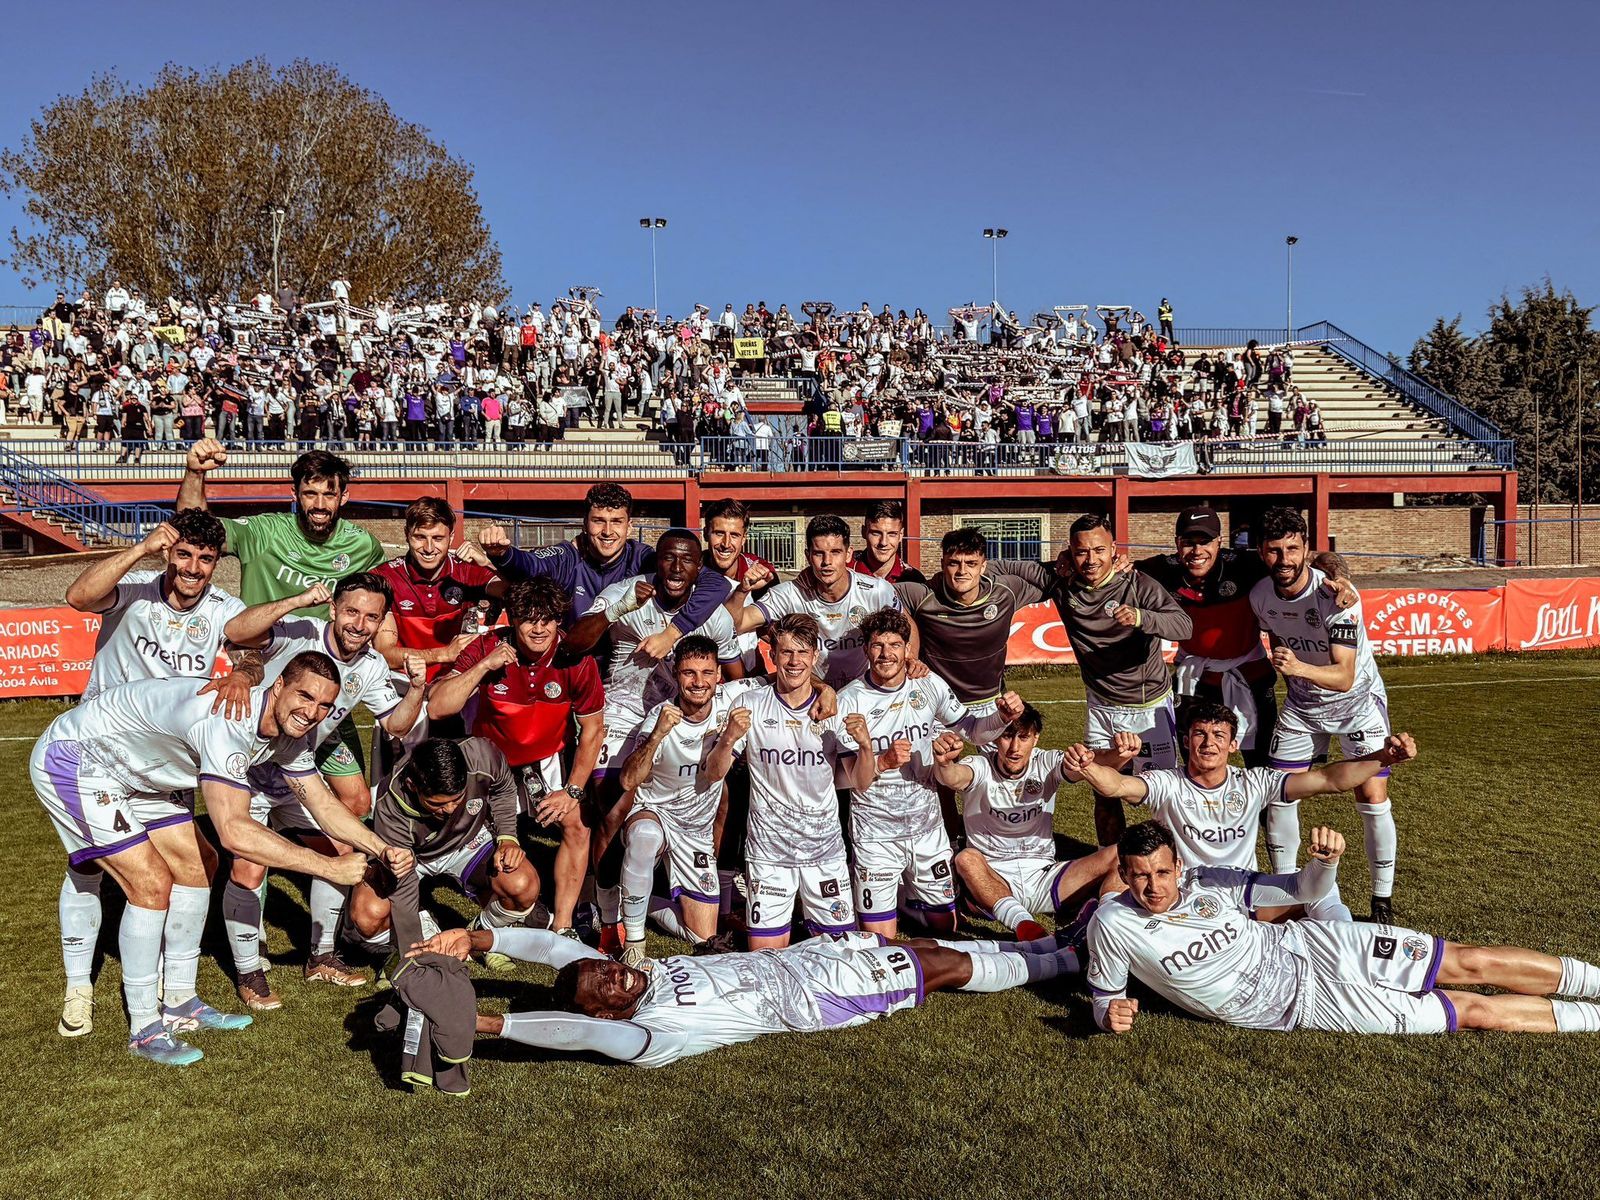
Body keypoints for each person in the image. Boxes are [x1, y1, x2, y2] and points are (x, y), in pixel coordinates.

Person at [30, 653, 409, 1065]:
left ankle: (180, 1002)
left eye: (324, 706)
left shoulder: (291, 733)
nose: (312, 712)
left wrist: (378, 847)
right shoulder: (230, 721)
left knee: (200, 865)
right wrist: (329, 867)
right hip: (80, 761)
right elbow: (234, 830)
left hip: (145, 773)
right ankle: (143, 1027)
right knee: (151, 883)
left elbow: (321, 802)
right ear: (279, 686)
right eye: (305, 696)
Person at [1089, 821, 1600, 1037]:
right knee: (1474, 1012)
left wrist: (1326, 863)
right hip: (1301, 1005)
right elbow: (1103, 994)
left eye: (1161, 872)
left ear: (1178, 864)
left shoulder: (1209, 882)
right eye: (1138, 876)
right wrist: (1106, 1014)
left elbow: (1303, 893)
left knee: (1469, 961)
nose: (1152, 887)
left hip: (1318, 944)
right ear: (1125, 875)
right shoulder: (1114, 924)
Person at [56, 511, 260, 1039]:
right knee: (92, 869)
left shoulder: (222, 608)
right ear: (169, 553)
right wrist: (140, 549)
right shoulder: (133, 591)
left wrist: (241, 669)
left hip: (164, 756)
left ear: (217, 564)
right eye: (184, 555)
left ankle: (180, 995)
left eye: (205, 559)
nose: (193, 568)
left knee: (200, 860)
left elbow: (253, 647)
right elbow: (78, 598)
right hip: (99, 752)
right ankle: (80, 986)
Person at [407, 923, 1084, 1068]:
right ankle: (1067, 961)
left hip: (805, 958)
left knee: (924, 946)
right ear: (609, 1009)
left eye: (607, 967)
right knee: (937, 965)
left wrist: (478, 934)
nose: (616, 972)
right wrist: (496, 1022)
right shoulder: (656, 1034)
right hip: (822, 997)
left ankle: (1051, 948)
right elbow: (580, 1034)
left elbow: (555, 951)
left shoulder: (640, 976)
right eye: (607, 985)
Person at [220, 574, 428, 1003]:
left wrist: (419, 689)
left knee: (340, 850)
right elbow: (235, 631)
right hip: (243, 768)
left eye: (372, 617)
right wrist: (295, 600)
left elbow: (395, 724)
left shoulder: (370, 666)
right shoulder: (301, 631)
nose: (359, 624)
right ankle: (248, 972)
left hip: (296, 770)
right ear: (333, 608)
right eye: (351, 611)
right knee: (249, 866)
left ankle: (322, 956)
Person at [1066, 701, 1419, 921]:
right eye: (1200, 735)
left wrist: (1384, 758)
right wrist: (1089, 767)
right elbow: (1117, 786)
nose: (1208, 744)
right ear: (1186, 741)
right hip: (1190, 892)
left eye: (1219, 736)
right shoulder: (1166, 783)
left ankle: (1345, 953)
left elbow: (1328, 779)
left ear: (1233, 745)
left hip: (1245, 888)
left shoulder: (1253, 782)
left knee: (1322, 890)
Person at [428, 577, 604, 937]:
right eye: (528, 619)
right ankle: (495, 913)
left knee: (577, 824)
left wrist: (571, 791)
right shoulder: (489, 645)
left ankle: (564, 924)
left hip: (543, 763)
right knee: (478, 844)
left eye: (547, 620)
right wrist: (483, 667)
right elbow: (438, 707)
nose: (538, 629)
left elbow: (593, 731)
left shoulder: (576, 659)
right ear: (513, 618)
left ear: (559, 621)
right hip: (488, 763)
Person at [1249, 506, 1398, 922]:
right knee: (1280, 794)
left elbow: (1345, 676)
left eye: (1293, 549)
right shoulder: (1260, 594)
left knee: (1371, 798)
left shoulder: (1338, 598)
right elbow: (1279, 632)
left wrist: (1296, 668)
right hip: (1302, 708)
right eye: (1275, 550)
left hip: (1357, 706)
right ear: (1262, 552)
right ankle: (1285, 891)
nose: (1284, 559)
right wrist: (1294, 674)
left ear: (1306, 549)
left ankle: (1381, 899)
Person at [837, 610, 1021, 939]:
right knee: (880, 940)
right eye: (877, 646)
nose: (886, 654)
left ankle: (910, 899)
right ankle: (900, 897)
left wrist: (1001, 717)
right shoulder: (849, 700)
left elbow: (974, 732)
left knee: (946, 930)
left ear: (908, 649)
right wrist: (882, 760)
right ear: (865, 650)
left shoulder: (928, 684)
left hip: (927, 830)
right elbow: (846, 778)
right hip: (876, 835)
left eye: (895, 645)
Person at [701, 613, 879, 948]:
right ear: (773, 655)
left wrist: (866, 747)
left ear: (814, 656)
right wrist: (727, 739)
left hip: (824, 852)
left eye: (801, 653)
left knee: (840, 956)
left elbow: (862, 781)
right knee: (766, 960)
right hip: (769, 854)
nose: (794, 661)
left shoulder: (832, 710)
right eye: (785, 653)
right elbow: (713, 774)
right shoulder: (750, 704)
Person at [1134, 506, 1357, 767]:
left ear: (1219, 542)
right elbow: (1113, 569)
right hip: (1196, 679)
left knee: (1261, 762)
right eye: (1188, 543)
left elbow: (1319, 559)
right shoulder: (1160, 570)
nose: (1197, 551)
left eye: (1205, 542)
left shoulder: (1246, 565)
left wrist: (1342, 578)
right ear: (1176, 544)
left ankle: (1259, 809)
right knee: (1197, 761)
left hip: (1250, 676)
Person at [607, 637, 762, 964]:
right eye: (689, 673)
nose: (698, 682)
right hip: (655, 813)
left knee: (702, 936)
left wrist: (828, 691)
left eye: (706, 672)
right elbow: (628, 780)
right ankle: (634, 944)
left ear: (719, 674)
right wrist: (658, 735)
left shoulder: (731, 697)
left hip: (695, 833)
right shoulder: (660, 717)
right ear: (676, 674)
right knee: (645, 837)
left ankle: (640, 901)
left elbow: (786, 676)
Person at [1047, 515, 1192, 844]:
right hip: (1101, 707)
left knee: (1163, 794)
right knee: (1103, 792)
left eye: (1100, 549)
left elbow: (1184, 626)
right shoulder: (1064, 583)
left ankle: (1171, 868)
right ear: (1070, 553)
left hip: (1149, 709)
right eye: (1082, 552)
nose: (1092, 559)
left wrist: (1142, 617)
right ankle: (1111, 872)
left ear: (1114, 549)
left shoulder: (1138, 583)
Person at [928, 705, 1120, 941]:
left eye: (1024, 737)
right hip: (992, 876)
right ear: (995, 737)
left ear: (1035, 738)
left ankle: (1113, 922)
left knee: (1120, 854)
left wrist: (1115, 755)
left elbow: (1082, 769)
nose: (1015, 748)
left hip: (1043, 876)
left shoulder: (1047, 762)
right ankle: (1025, 925)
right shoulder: (980, 765)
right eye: (1007, 736)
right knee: (966, 859)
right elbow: (954, 777)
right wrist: (945, 764)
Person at [348, 737, 545, 963]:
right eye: (438, 804)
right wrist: (414, 952)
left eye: (457, 799)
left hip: (467, 841)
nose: (451, 810)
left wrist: (508, 838)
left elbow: (504, 787)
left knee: (523, 885)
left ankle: (479, 934)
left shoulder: (481, 754)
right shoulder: (390, 805)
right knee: (367, 916)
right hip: (414, 858)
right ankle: (423, 939)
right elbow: (403, 885)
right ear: (412, 785)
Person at [475, 483, 732, 655]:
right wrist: (503, 554)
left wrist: (672, 633)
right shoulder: (566, 556)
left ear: (629, 526)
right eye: (599, 521)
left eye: (617, 522)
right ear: (584, 524)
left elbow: (716, 583)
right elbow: (529, 566)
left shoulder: (644, 558)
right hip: (573, 659)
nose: (608, 532)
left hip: (627, 663)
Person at [734, 514, 907, 689]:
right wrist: (743, 590)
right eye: (819, 554)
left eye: (835, 552)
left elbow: (907, 626)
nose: (827, 562)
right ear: (808, 555)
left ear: (848, 554)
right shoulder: (789, 593)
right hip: (813, 693)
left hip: (863, 692)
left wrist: (911, 660)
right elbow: (737, 625)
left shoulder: (876, 590)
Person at [900, 528, 1052, 715]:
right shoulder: (921, 595)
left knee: (1012, 744)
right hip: (938, 702)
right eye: (954, 563)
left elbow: (1053, 583)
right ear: (942, 564)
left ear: (983, 566)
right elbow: (873, 593)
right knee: (937, 746)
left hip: (991, 701)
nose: (962, 571)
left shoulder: (1006, 591)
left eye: (971, 563)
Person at [851, 500, 926, 584]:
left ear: (901, 535)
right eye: (876, 533)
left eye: (892, 534)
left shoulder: (914, 580)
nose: (883, 542)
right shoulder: (845, 571)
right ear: (864, 532)